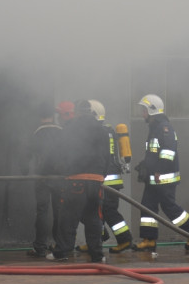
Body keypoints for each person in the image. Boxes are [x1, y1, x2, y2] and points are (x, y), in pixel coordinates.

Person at [132, 94, 189, 252]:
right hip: (154, 177)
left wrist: (159, 170)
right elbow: (154, 152)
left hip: (163, 178)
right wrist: (145, 165)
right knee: (147, 206)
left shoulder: (164, 128)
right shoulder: (154, 128)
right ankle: (149, 239)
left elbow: (168, 152)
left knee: (169, 207)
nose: (142, 113)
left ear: (152, 111)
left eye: (144, 110)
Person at [49, 99, 107, 262]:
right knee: (94, 218)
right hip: (96, 181)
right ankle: (97, 255)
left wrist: (61, 170)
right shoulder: (101, 130)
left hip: (76, 180)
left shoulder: (70, 129)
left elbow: (61, 153)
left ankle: (61, 252)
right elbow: (106, 156)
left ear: (79, 112)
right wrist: (101, 176)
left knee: (68, 217)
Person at [75, 100, 134, 254]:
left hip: (105, 179)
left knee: (106, 211)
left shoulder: (97, 131)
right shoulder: (107, 131)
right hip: (109, 178)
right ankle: (97, 239)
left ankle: (124, 239)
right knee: (97, 210)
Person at [25, 102, 65, 257]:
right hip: (60, 178)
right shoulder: (62, 132)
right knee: (59, 211)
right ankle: (59, 244)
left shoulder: (36, 133)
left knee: (42, 211)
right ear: (53, 115)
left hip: (42, 177)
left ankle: (40, 246)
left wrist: (24, 170)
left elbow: (27, 153)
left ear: (39, 115)